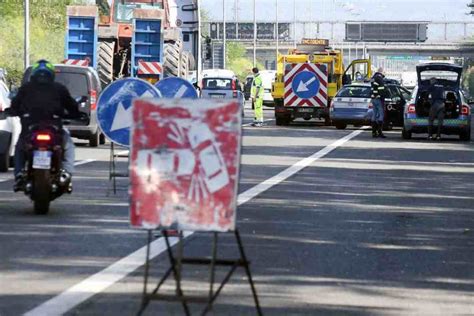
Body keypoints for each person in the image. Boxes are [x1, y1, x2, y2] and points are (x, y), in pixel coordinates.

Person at [6, 60, 84, 191]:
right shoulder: (59, 88)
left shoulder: (25, 88)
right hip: (52, 128)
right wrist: (76, 115)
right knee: (68, 145)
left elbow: (14, 106)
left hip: (31, 128)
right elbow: (71, 106)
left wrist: (12, 113)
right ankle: (66, 172)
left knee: (20, 147)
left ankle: (19, 174)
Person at [370, 67, 387, 138]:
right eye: (384, 72)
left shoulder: (373, 78)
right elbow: (381, 89)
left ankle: (374, 132)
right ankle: (380, 132)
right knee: (381, 115)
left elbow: (372, 88)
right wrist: (381, 95)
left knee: (374, 115)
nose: (385, 74)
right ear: (382, 72)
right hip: (378, 99)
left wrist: (374, 95)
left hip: (373, 98)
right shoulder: (380, 78)